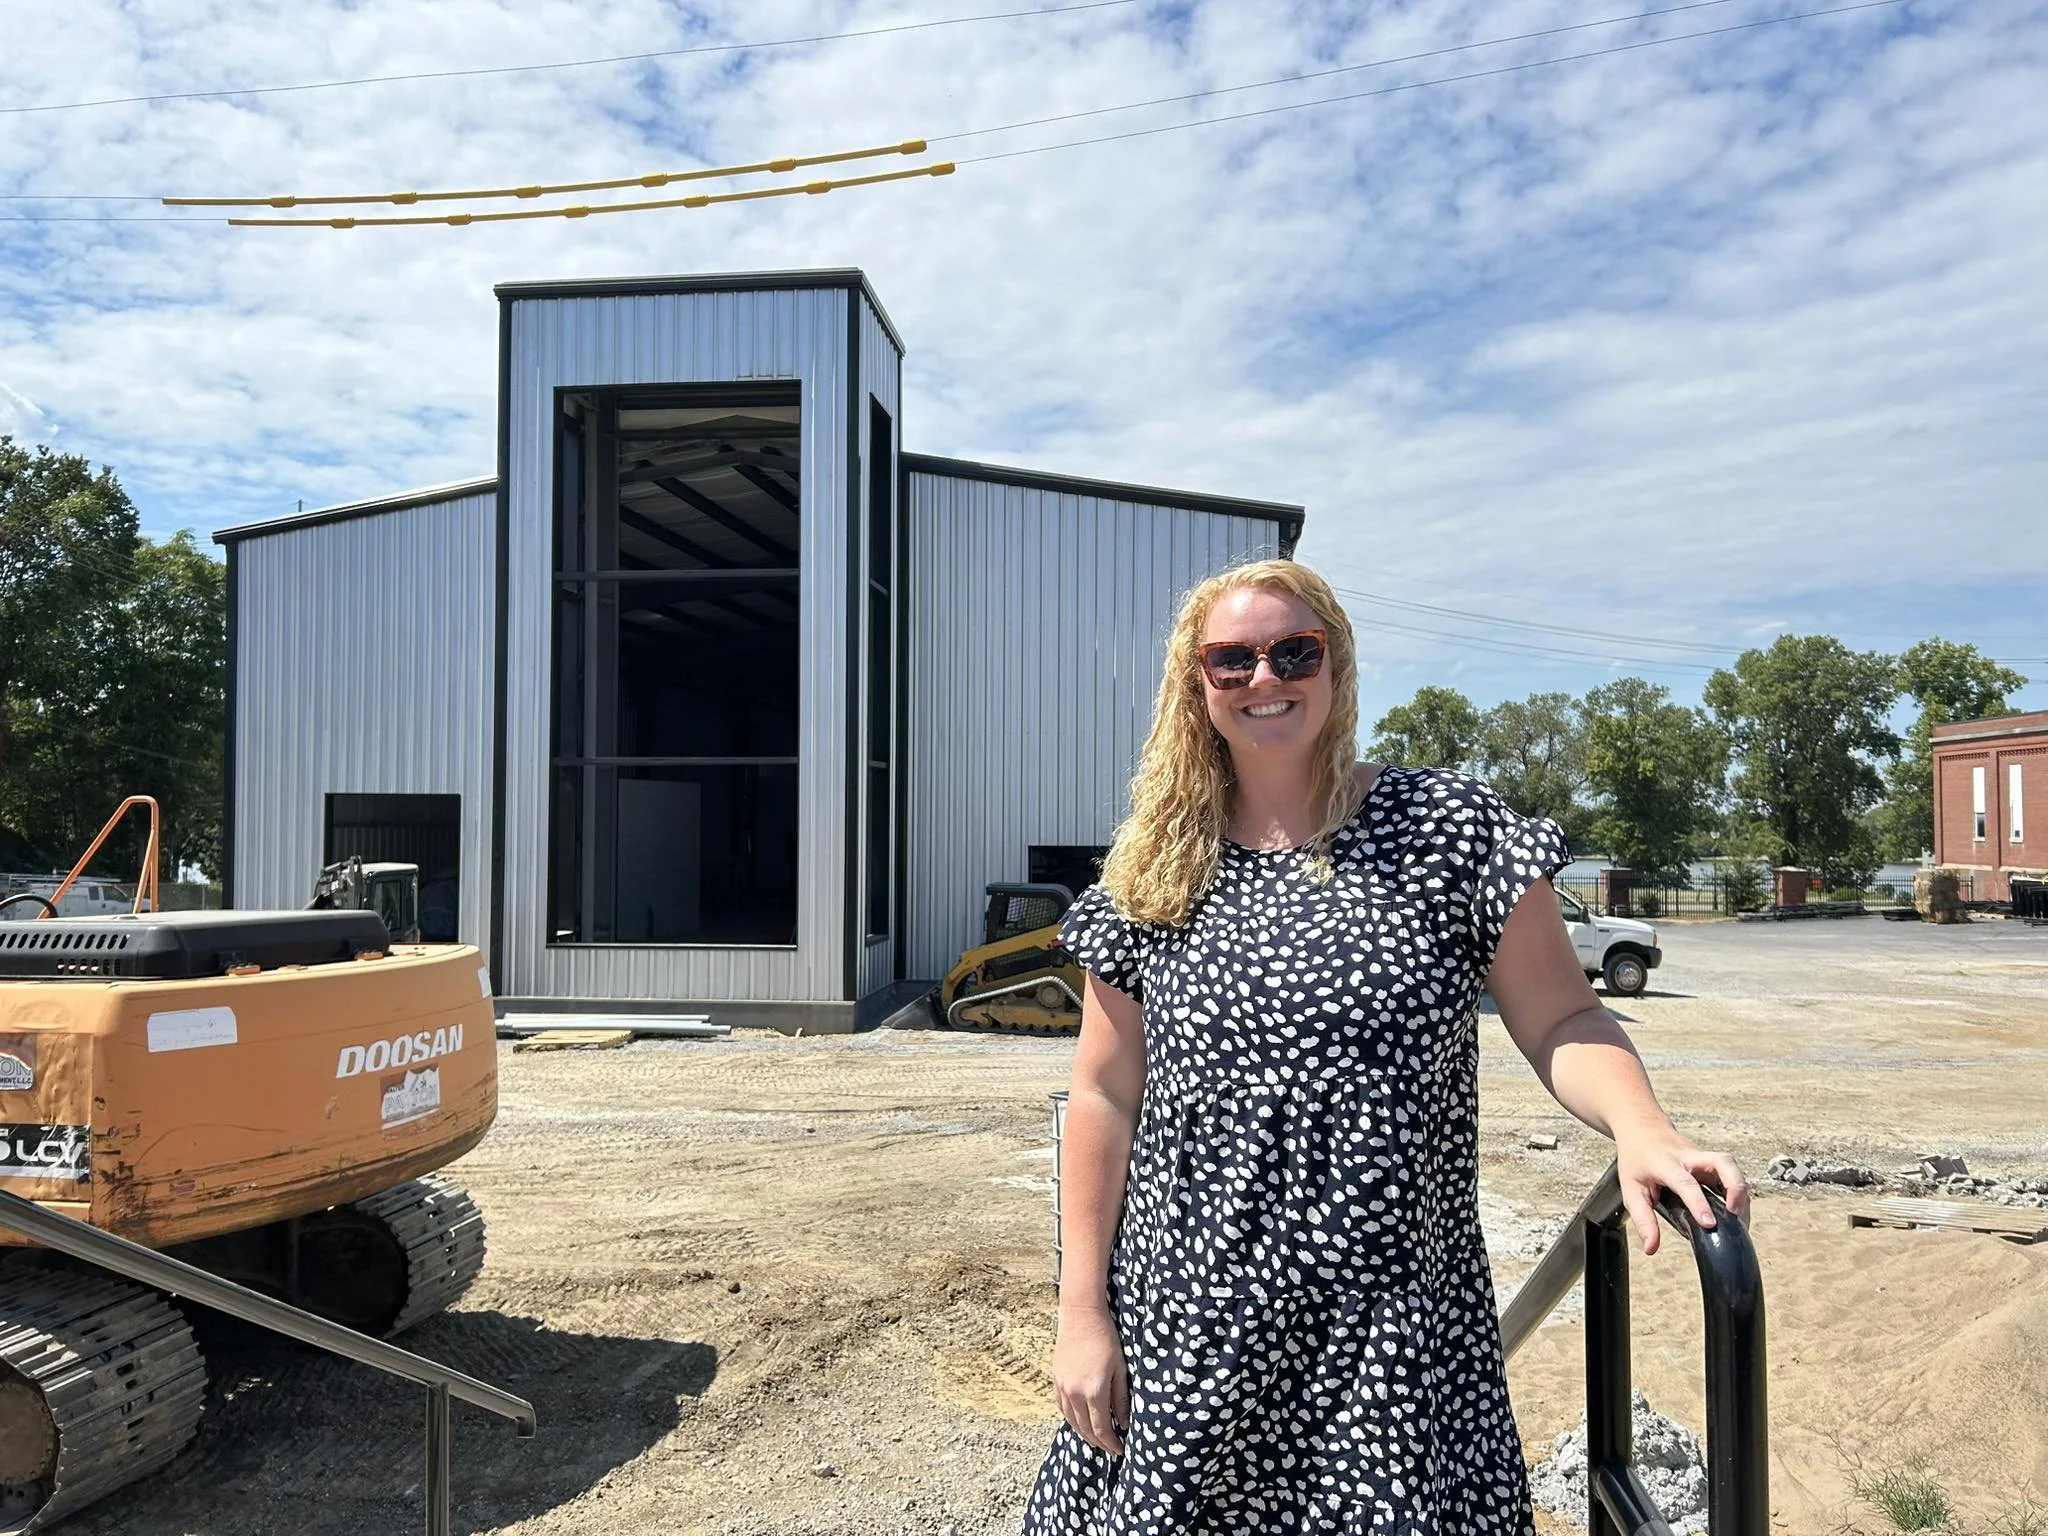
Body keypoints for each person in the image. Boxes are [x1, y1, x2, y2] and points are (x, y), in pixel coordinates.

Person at [1020, 559, 1748, 1534]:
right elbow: (1103, 1096)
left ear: (1335, 664)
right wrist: (1081, 1315)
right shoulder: (1153, 866)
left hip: (1391, 1346)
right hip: (1186, 1328)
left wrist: (1640, 1126)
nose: (1263, 678)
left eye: (1292, 651)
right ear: (1195, 686)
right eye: (1229, 660)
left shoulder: (1445, 832)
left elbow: (1561, 1019)